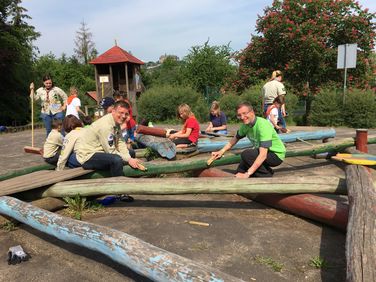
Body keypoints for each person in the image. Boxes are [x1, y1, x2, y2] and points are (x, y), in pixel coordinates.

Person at [212, 102, 286, 178]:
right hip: (263, 152)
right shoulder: (245, 126)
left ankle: (265, 175)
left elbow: (263, 155)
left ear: (252, 112)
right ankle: (266, 170)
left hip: (276, 155)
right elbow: (235, 138)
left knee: (246, 154)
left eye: (244, 113)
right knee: (239, 171)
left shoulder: (263, 125)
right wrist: (221, 151)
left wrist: (247, 174)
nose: (242, 117)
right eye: (239, 115)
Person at [75, 100, 142, 177]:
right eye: (121, 113)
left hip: (102, 151)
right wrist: (129, 160)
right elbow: (111, 151)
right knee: (116, 160)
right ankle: (118, 184)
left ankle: (130, 174)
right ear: (113, 111)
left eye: (126, 114)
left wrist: (129, 158)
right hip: (88, 155)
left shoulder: (115, 122)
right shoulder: (105, 126)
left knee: (131, 153)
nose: (123, 116)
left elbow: (120, 142)